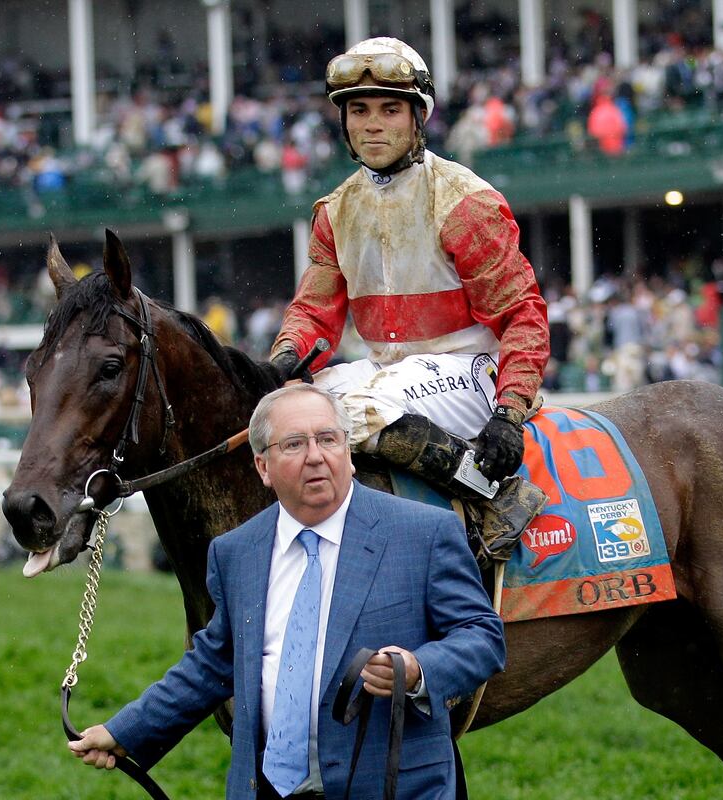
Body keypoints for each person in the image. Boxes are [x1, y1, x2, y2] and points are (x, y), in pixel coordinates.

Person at [68, 384, 505, 800]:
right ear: (262, 466)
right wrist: (127, 731)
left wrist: (416, 669)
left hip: (393, 787)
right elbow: (213, 662)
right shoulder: (236, 551)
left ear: (348, 454)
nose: (316, 456)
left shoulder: (423, 533)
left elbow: (483, 638)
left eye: (328, 440)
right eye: (294, 444)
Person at [266, 37, 550, 564]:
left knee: (350, 411)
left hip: (472, 371)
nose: (373, 124)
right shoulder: (334, 210)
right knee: (284, 412)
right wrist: (285, 357)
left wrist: (510, 411)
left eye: (390, 109)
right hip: (387, 371)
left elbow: (523, 315)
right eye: (359, 110)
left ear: (418, 118)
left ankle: (495, 496)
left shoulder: (466, 202)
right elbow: (314, 312)